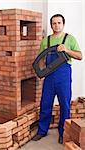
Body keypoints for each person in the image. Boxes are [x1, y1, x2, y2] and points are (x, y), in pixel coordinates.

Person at [32, 14, 82, 144]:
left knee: (64, 105)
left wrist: (66, 50)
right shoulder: (46, 41)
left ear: (63, 24)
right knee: (45, 104)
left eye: (59, 23)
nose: (56, 25)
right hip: (49, 77)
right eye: (54, 23)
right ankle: (42, 131)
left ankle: (63, 132)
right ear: (51, 25)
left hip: (63, 77)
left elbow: (80, 56)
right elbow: (41, 59)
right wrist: (42, 72)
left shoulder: (69, 39)